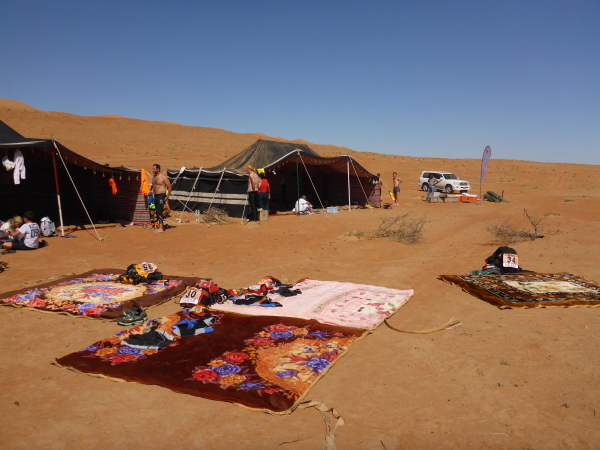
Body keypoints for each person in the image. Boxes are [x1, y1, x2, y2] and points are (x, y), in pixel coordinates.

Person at [151, 163, 172, 233]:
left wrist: (167, 196)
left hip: (161, 195)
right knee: (157, 211)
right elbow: (153, 186)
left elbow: (169, 187)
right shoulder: (153, 177)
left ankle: (161, 228)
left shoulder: (163, 177)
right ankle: (160, 225)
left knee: (159, 210)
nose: (153, 170)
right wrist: (152, 194)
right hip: (155, 195)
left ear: (158, 169)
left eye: (154, 169)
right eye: (152, 169)